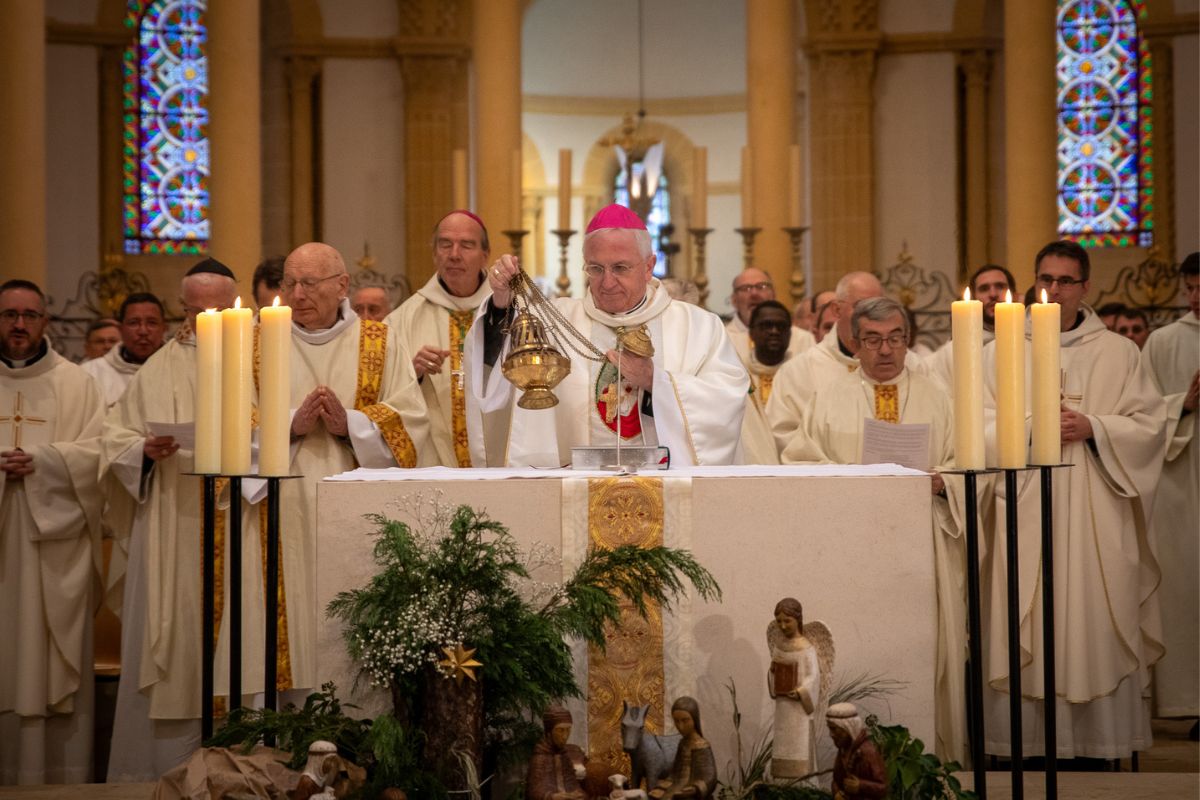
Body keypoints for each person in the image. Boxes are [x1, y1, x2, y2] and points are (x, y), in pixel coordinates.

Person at [981, 240, 1166, 760]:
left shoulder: (1119, 353)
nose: (1054, 289)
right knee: (1027, 609)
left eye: (1065, 280)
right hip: (1023, 502)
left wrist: (1095, 427)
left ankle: (1098, 741)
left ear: (1086, 287)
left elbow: (1149, 428)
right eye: (1045, 278)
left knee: (1094, 615)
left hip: (1094, 510)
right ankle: (1022, 744)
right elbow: (976, 427)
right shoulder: (1001, 351)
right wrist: (1030, 426)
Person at [772, 297, 965, 760]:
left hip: (924, 545)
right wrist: (851, 485)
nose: (885, 350)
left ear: (908, 341)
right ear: (854, 344)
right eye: (874, 340)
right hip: (850, 546)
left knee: (925, 648)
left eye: (895, 338)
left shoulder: (939, 396)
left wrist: (945, 482)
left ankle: (929, 752)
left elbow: (965, 465)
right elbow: (801, 460)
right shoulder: (828, 397)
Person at [260, 242, 430, 694]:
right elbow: (232, 423)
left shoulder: (381, 341)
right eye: (289, 283)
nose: (298, 294)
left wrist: (350, 426)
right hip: (276, 511)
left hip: (356, 511)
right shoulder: (258, 343)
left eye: (310, 284)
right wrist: (289, 428)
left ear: (342, 286)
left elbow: (411, 422)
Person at [470, 204, 746, 468]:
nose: (607, 282)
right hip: (573, 491)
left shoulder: (697, 326)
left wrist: (656, 382)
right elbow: (500, 364)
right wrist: (502, 300)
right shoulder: (555, 320)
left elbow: (727, 397)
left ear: (649, 266)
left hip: (667, 489)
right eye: (596, 268)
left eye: (620, 268)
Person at [101, 260, 241, 781]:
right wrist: (142, 449)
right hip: (174, 527)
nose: (206, 319)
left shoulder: (259, 359)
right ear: (182, 307)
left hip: (245, 524)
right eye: (195, 310)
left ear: (235, 303)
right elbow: (113, 438)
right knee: (177, 645)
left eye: (218, 310)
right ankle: (165, 777)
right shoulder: (158, 368)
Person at [0, 279, 105, 785]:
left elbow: (99, 457)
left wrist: (42, 462)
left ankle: (57, 778)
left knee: (48, 663)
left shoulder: (77, 384)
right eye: (9, 315)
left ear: (46, 321)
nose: (19, 325)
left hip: (55, 551)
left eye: (29, 315)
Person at [385, 211, 495, 467]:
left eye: (466, 245)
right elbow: (380, 400)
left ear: (485, 255)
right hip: (431, 463)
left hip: (499, 461)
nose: (454, 254)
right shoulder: (401, 321)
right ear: (434, 254)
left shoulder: (510, 312)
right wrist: (413, 373)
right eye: (445, 244)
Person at [1142, 252, 1199, 732]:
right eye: (1191, 287)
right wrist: (1183, 402)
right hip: (1182, 482)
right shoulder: (1163, 342)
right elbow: (1142, 412)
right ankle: (1191, 701)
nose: (1196, 297)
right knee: (1186, 589)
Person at [925, 264, 1017, 392]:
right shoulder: (954, 351)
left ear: (1015, 295)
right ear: (974, 298)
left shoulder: (1029, 340)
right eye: (984, 289)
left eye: (1000, 287)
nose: (993, 294)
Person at [81, 292, 166, 410]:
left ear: (164, 328)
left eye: (152, 322)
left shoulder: (182, 369)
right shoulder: (90, 374)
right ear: (121, 329)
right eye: (134, 323)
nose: (143, 331)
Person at [767, 598, 820, 779]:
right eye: (778, 621)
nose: (782, 626)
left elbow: (813, 676)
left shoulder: (807, 648)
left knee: (799, 750)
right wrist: (773, 671)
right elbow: (772, 676)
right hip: (783, 710)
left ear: (798, 620)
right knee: (782, 746)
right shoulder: (778, 647)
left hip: (799, 712)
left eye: (787, 621)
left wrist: (800, 691)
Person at [724, 267, 813, 368]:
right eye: (746, 288)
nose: (754, 293)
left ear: (773, 294)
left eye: (761, 287)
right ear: (734, 300)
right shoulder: (724, 339)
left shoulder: (803, 339)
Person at [740, 301, 791, 464]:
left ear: (790, 334)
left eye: (781, 326)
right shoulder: (737, 375)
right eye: (766, 326)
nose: (774, 332)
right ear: (751, 333)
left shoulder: (802, 374)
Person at [648, 697, 715, 800]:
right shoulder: (683, 743)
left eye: (685, 720)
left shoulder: (702, 745)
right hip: (677, 787)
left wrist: (695, 788)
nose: (680, 726)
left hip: (690, 793)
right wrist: (662, 787)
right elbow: (675, 772)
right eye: (676, 721)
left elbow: (710, 777)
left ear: (694, 719)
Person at [825, 703, 887, 800]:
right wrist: (837, 793)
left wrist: (860, 786)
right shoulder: (843, 749)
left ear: (847, 727)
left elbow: (883, 788)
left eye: (834, 729)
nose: (831, 734)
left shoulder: (869, 752)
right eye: (830, 729)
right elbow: (836, 780)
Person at [526, 706, 588, 800]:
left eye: (568, 730)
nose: (565, 736)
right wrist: (552, 797)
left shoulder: (564, 757)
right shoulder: (539, 758)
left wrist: (578, 794)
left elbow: (572, 784)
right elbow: (534, 792)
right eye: (560, 730)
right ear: (549, 732)